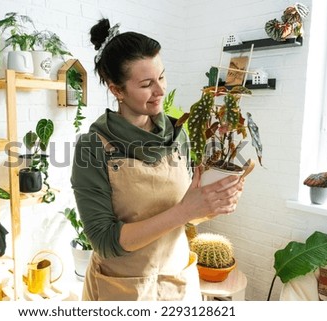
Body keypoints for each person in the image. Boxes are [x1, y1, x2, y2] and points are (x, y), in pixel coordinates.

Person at [71, 18, 244, 301]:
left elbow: (187, 215)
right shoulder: (93, 147)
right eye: (147, 84)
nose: (161, 91)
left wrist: (211, 203)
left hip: (177, 283)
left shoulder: (177, 135)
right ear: (117, 90)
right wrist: (186, 211)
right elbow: (104, 242)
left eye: (162, 77)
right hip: (123, 290)